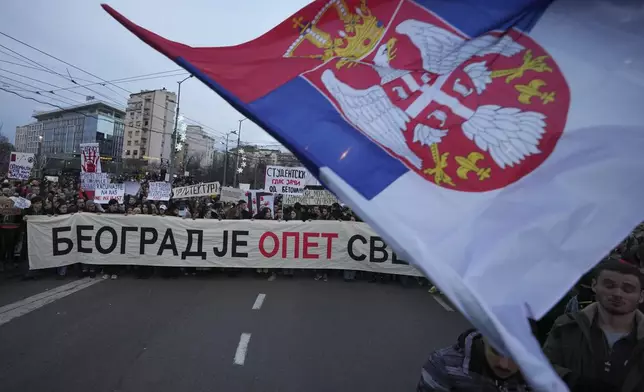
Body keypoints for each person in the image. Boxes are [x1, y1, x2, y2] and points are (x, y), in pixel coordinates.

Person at [543, 259, 644, 392]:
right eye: (609, 286)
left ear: (641, 296)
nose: (617, 294)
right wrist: (574, 380)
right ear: (594, 285)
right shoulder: (567, 326)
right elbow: (543, 368)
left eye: (628, 289)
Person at [417, 326, 534, 391]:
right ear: (484, 339)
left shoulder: (536, 381)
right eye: (496, 351)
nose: (504, 364)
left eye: (515, 356)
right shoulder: (442, 366)